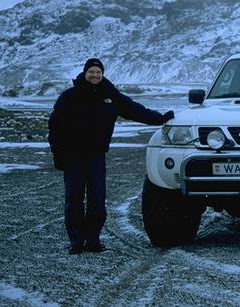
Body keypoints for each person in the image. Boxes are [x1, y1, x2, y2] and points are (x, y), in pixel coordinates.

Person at [48, 58, 174, 255]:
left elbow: (134, 110)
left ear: (102, 74)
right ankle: (76, 241)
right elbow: (55, 127)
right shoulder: (69, 96)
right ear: (85, 73)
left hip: (96, 157)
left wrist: (159, 118)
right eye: (91, 72)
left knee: (97, 200)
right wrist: (58, 155)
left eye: (98, 72)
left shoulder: (110, 95)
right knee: (74, 199)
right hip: (73, 157)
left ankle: (93, 240)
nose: (95, 75)